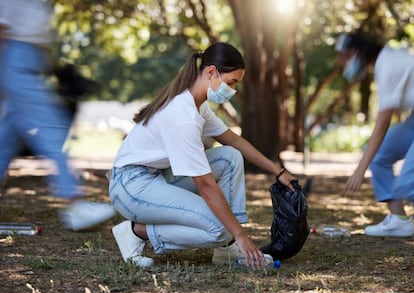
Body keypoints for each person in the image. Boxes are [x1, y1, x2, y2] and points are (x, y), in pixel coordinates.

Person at [108, 42, 296, 269]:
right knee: (219, 229)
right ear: (211, 72)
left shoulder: (198, 106)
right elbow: (205, 185)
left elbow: (233, 140)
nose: (233, 90)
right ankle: (136, 231)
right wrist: (240, 234)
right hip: (131, 187)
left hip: (157, 177)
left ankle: (226, 250)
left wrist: (278, 171)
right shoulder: (183, 116)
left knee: (229, 157)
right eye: (231, 82)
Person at [0, 0, 115, 230]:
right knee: (53, 128)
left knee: (6, 139)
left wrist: (54, 68)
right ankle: (74, 204)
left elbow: (34, 36)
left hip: (27, 63)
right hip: (16, 63)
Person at [336, 32, 414, 237]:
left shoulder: (386, 64)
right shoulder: (385, 61)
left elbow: (382, 123)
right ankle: (399, 220)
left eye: (345, 57)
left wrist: (359, 170)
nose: (344, 64)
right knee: (378, 157)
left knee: (408, 183)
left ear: (357, 53)